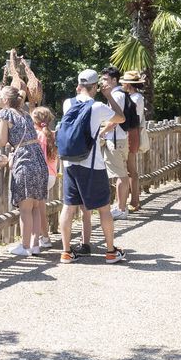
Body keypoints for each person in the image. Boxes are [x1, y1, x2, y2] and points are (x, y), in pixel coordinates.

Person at [60, 69, 126, 264]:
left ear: (79, 85)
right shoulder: (97, 107)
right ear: (96, 86)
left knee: (68, 207)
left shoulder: (67, 104)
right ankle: (111, 251)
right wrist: (108, 96)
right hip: (92, 165)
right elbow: (120, 118)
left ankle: (66, 252)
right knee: (104, 209)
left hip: (70, 163)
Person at [0, 86, 49, 256]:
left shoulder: (5, 114)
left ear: (5, 100)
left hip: (25, 161)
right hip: (38, 160)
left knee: (25, 209)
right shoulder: (26, 114)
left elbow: (1, 140)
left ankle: (25, 246)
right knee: (35, 206)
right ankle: (35, 245)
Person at [100, 66, 131, 220]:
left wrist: (101, 132)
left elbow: (114, 120)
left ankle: (121, 208)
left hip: (115, 139)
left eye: (105, 79)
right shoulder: (121, 94)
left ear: (114, 80)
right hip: (120, 138)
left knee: (121, 175)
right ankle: (121, 205)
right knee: (122, 174)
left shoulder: (116, 95)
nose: (103, 82)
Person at [31, 106, 57, 249]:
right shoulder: (52, 135)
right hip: (51, 175)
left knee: (38, 209)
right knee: (40, 207)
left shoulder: (37, 136)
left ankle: (44, 238)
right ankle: (42, 237)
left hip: (41, 175)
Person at [120, 70, 146, 211]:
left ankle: (134, 200)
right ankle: (133, 199)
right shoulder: (134, 97)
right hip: (131, 131)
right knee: (129, 168)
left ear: (128, 84)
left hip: (131, 131)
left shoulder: (135, 98)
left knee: (130, 168)